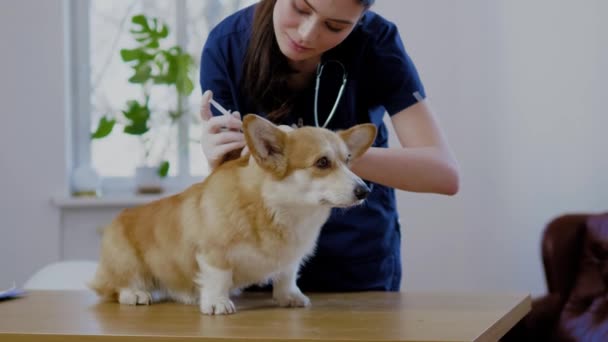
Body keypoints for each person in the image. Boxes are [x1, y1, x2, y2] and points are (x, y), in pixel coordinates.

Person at [198, 0, 460, 292]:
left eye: (335, 26)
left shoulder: (376, 43)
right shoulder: (227, 44)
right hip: (260, 261)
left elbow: (444, 174)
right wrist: (216, 162)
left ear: (361, 19)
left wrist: (327, 153)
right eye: (300, 8)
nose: (307, 34)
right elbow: (232, 182)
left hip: (356, 261)